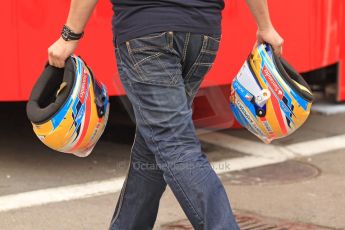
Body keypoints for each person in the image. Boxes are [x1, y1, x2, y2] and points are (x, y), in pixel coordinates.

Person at [48, 0, 284, 229]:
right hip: (202, 34)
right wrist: (265, 26)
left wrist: (69, 36)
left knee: (172, 143)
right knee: (153, 143)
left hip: (146, 31)